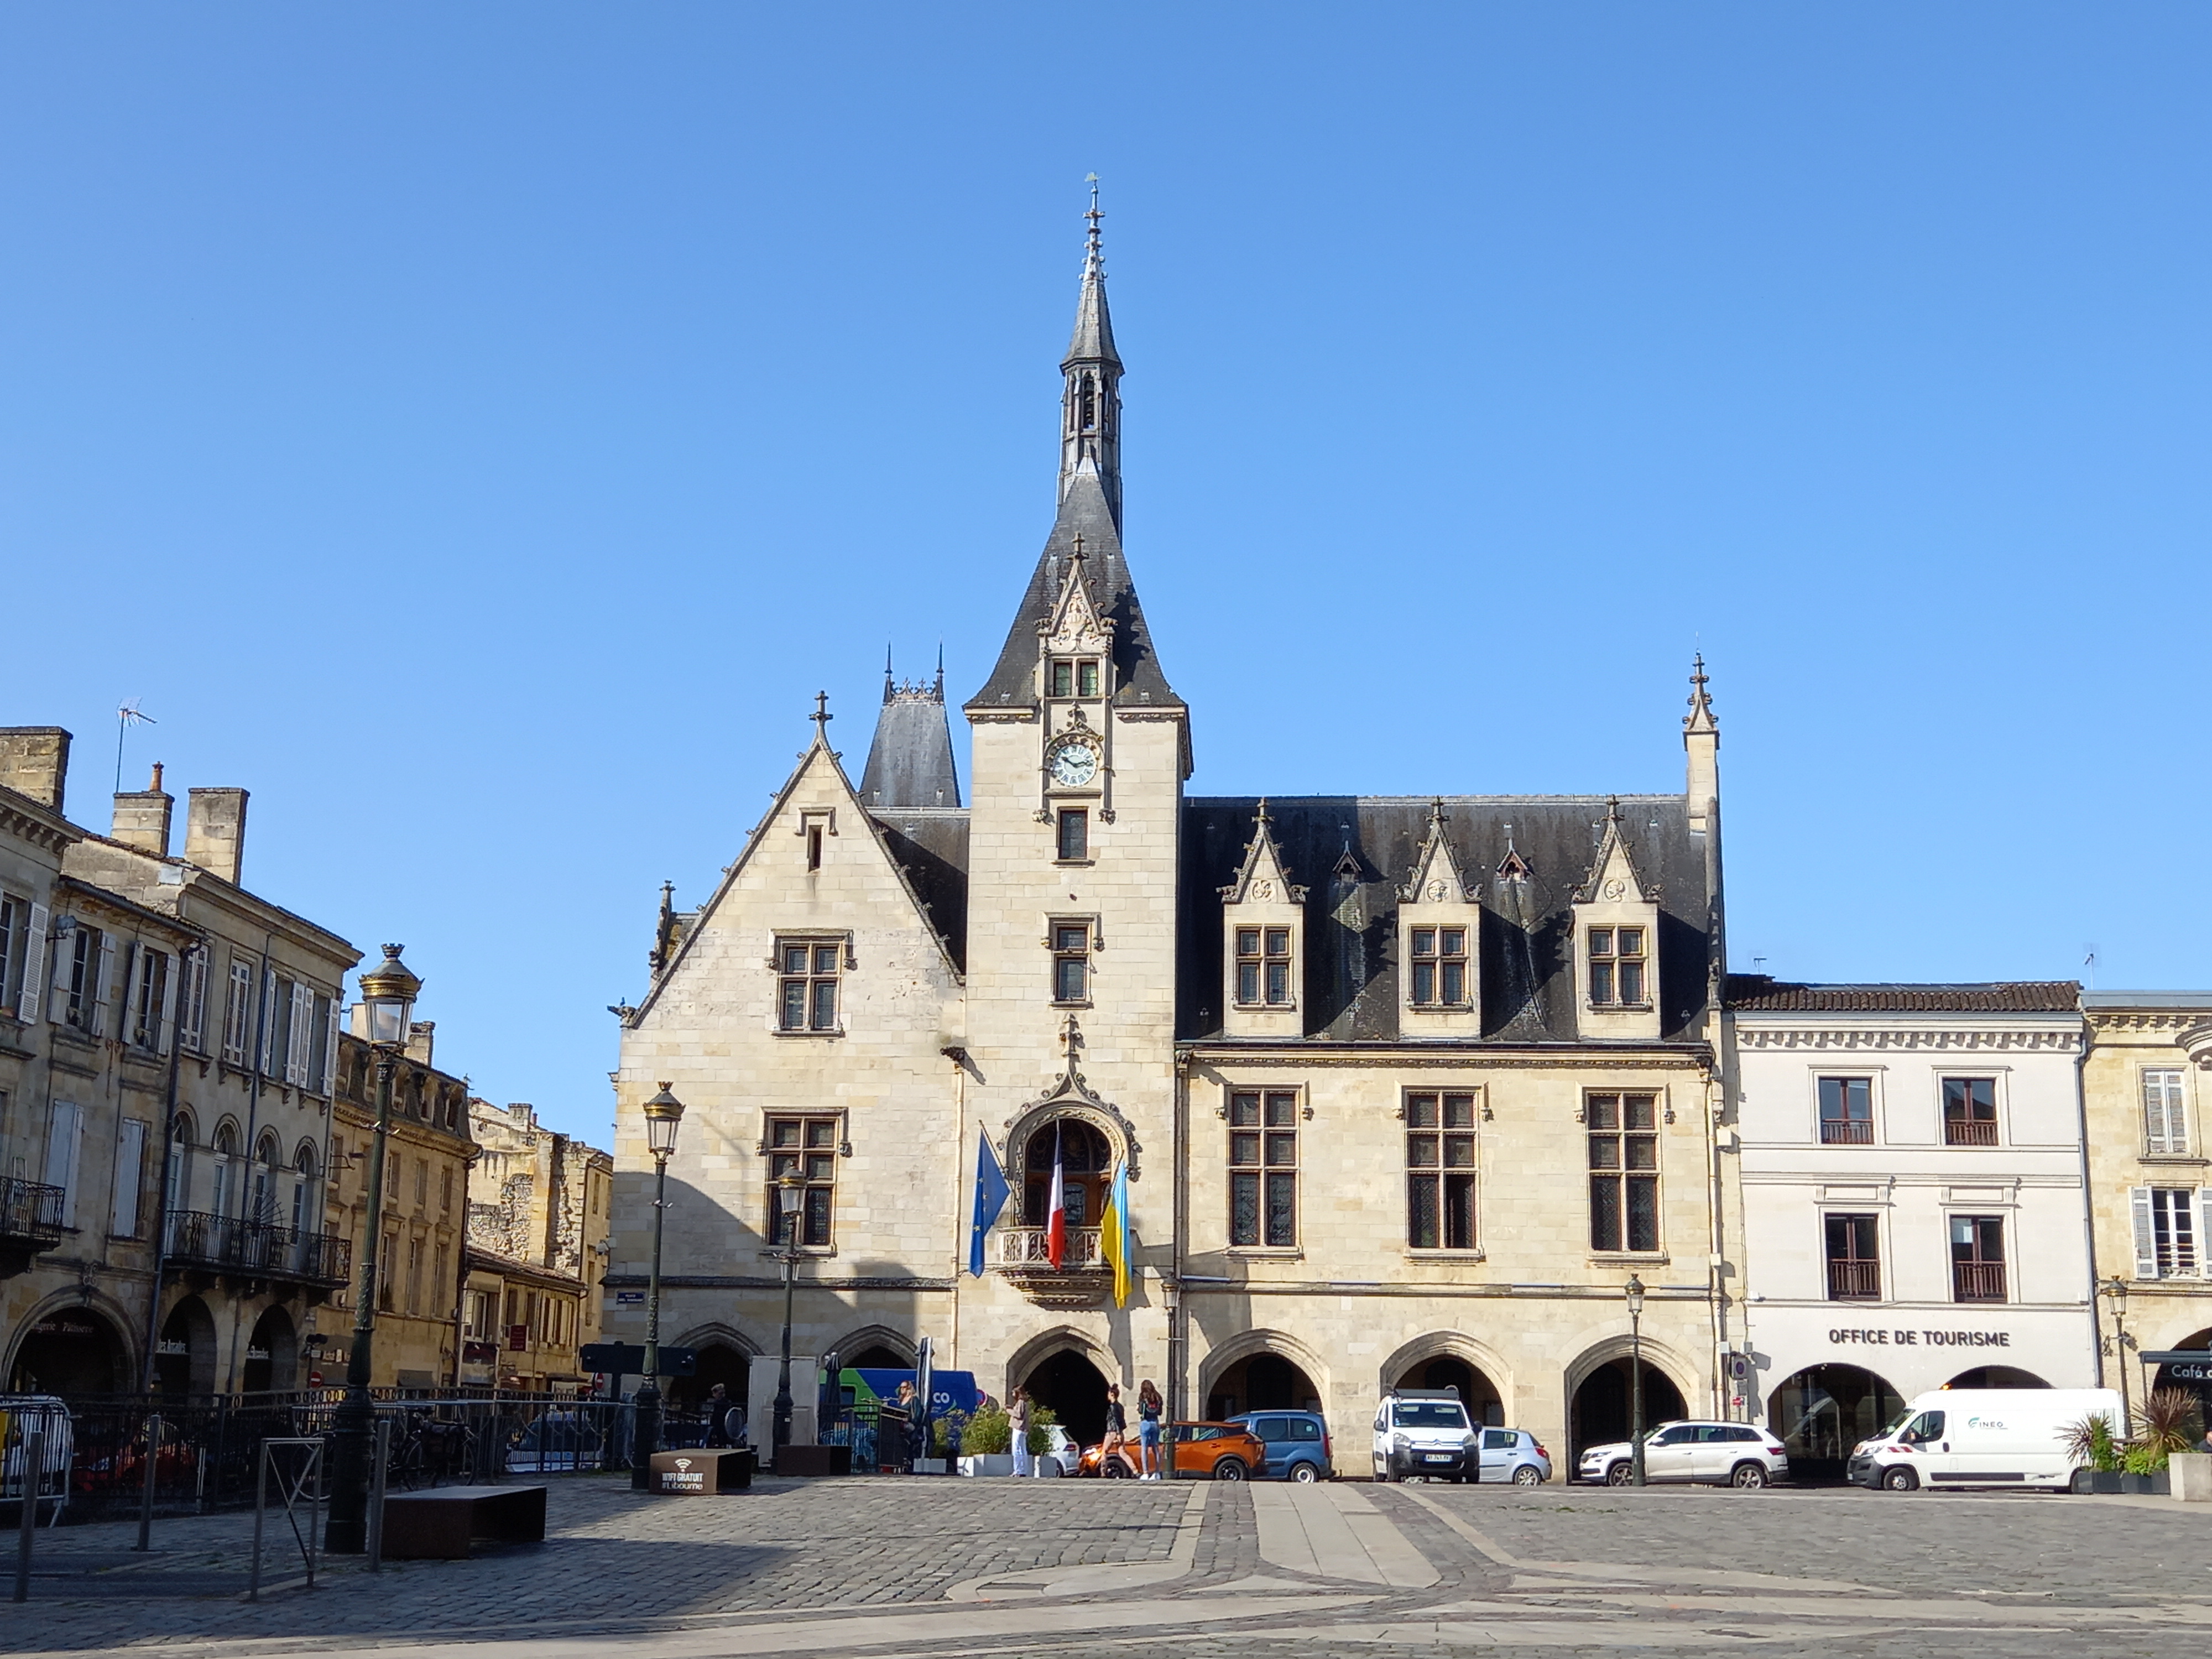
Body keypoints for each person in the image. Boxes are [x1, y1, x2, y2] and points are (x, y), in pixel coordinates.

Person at [1137, 1380, 1164, 1480]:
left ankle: (1145, 1473)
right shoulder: (1157, 1397)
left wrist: (1138, 1407)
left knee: (1144, 1448)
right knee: (1155, 1448)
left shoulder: (1143, 1397)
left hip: (1145, 1423)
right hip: (1155, 1423)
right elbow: (1160, 1412)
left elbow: (1140, 1411)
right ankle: (1157, 1473)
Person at [1102, 1383, 1129, 1475]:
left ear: (1112, 1394)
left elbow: (1117, 1420)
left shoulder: (1113, 1407)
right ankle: (1135, 1470)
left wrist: (1117, 1433)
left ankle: (1103, 1472)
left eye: (1109, 1393)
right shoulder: (1120, 1406)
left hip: (1112, 1432)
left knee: (1104, 1452)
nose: (1108, 1395)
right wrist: (1120, 1433)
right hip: (1119, 1432)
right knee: (1122, 1453)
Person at [1009, 1386, 1033, 1478]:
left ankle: (1018, 1470)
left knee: (1017, 1450)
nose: (1012, 1395)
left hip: (1019, 1428)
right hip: (1023, 1429)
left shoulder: (1020, 1402)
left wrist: (1009, 1410)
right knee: (1022, 1450)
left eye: (1013, 1393)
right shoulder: (1025, 1402)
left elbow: (1018, 1415)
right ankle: (1022, 1470)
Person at [705, 1383, 732, 1447]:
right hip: (726, 1425)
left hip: (719, 1426)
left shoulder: (719, 1404)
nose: (713, 1395)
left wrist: (712, 1422)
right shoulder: (728, 1402)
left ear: (718, 1393)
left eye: (714, 1393)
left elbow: (716, 1416)